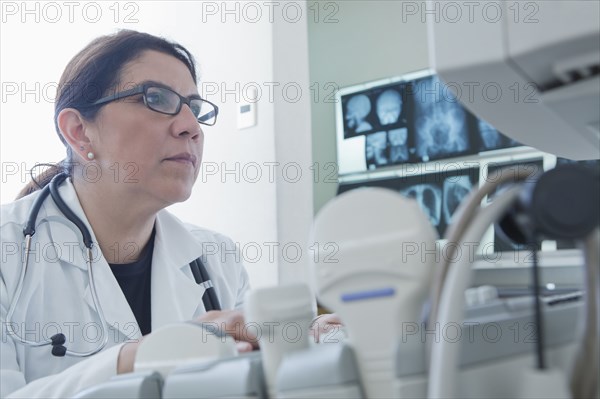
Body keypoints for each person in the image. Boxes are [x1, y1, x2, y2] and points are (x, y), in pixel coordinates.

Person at [0, 30, 340, 398]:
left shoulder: (217, 257)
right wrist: (137, 359)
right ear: (79, 131)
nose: (191, 127)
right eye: (156, 99)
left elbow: (256, 373)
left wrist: (305, 347)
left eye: (194, 108)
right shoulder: (10, 251)